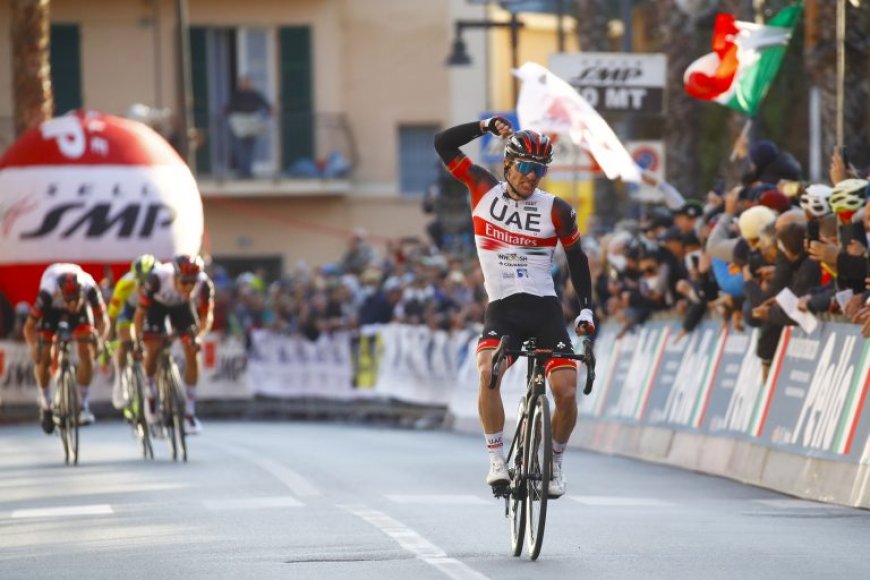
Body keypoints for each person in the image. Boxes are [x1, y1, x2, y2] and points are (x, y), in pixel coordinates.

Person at [434, 117, 596, 498]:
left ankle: (555, 463)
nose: (531, 176)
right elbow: (443, 143)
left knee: (567, 391)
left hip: (544, 310)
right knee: (489, 371)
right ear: (507, 165)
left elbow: (578, 260)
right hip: (503, 309)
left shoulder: (556, 209)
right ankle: (496, 459)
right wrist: (485, 125)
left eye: (539, 169)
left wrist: (587, 310)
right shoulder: (482, 189)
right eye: (525, 167)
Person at [134, 255, 214, 434]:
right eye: (184, 282)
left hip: (182, 308)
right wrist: (139, 340)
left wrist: (197, 337)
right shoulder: (157, 278)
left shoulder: (204, 284)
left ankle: (189, 412)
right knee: (153, 347)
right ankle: (150, 391)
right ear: (175, 276)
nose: (189, 287)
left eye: (192, 282)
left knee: (192, 349)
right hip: (157, 307)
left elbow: (206, 317)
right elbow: (139, 314)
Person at [23, 263, 108, 432]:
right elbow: (29, 327)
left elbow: (103, 319)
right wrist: (34, 346)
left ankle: (83, 404)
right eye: (68, 300)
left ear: (80, 292)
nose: (72, 305)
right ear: (61, 293)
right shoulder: (47, 293)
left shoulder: (89, 287)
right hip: (51, 311)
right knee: (44, 355)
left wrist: (100, 339)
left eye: (76, 299)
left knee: (87, 350)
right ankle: (46, 403)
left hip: (81, 314)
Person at [107, 254, 159, 412]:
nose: (143, 286)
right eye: (140, 281)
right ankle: (120, 378)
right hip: (128, 311)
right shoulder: (125, 284)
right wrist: (110, 334)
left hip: (150, 311)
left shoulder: (160, 283)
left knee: (154, 344)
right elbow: (113, 313)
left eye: (147, 280)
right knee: (125, 342)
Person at [225, 76, 272, 178]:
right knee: (240, 149)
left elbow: (266, 105)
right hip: (240, 125)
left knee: (250, 149)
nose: (246, 84)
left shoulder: (254, 95)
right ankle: (243, 171)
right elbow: (229, 107)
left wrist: (269, 112)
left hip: (252, 125)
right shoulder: (237, 95)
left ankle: (248, 171)